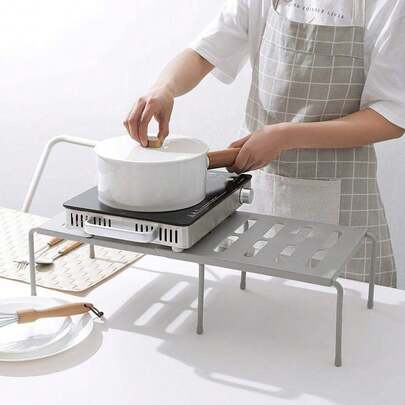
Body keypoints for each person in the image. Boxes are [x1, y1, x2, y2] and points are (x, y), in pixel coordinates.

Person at [124, 0, 404, 287]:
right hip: (260, 196)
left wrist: (287, 136)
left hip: (343, 208)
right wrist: (164, 87)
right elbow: (204, 52)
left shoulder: (388, 5)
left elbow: (391, 116)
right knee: (256, 303)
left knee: (345, 309)